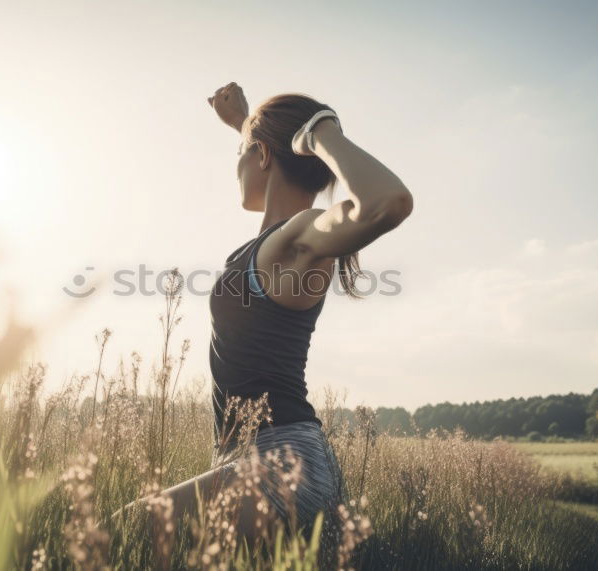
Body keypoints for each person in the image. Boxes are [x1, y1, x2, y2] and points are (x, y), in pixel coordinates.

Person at [112, 82, 413, 562]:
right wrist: (244, 123)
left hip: (280, 461)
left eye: (244, 153)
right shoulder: (273, 244)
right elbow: (259, 153)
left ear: (265, 156)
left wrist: (318, 131)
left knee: (116, 536)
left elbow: (387, 202)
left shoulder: (297, 236)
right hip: (255, 458)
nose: (236, 165)